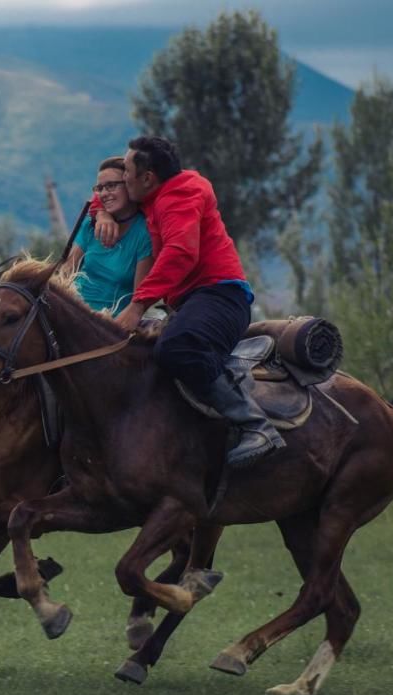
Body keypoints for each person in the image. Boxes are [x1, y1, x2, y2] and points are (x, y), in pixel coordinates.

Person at [97, 136, 284, 468]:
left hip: (220, 297)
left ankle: (255, 425)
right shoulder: (152, 194)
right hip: (191, 302)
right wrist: (102, 214)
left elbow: (181, 253)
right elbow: (105, 195)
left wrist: (138, 305)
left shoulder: (182, 195)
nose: (122, 179)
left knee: (176, 347)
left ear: (147, 177)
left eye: (126, 172)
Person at [63, 156, 153, 314]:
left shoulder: (145, 232)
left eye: (111, 186)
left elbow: (139, 299)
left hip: (110, 325)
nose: (104, 193)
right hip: (72, 314)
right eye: (99, 188)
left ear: (129, 185)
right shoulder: (90, 225)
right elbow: (66, 273)